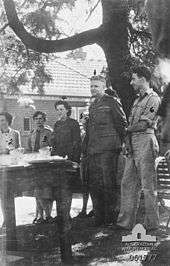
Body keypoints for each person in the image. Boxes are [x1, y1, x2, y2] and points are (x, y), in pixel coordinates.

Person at [117, 66, 161, 231]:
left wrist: (127, 130)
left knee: (148, 185)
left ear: (143, 79)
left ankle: (152, 224)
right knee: (127, 183)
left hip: (146, 141)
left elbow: (143, 124)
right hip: (133, 142)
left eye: (133, 78)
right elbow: (132, 124)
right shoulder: (137, 100)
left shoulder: (154, 99)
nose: (131, 82)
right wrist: (127, 140)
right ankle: (125, 223)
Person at [86, 74, 127, 226]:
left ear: (104, 87)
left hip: (109, 148)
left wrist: (123, 144)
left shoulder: (111, 102)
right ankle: (99, 217)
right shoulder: (92, 105)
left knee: (109, 183)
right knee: (95, 184)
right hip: (94, 149)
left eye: (96, 86)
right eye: (91, 86)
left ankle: (111, 218)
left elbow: (122, 123)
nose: (93, 89)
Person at [51, 100, 81, 223]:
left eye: (61, 109)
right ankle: (60, 214)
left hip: (70, 159)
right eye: (57, 110)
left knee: (68, 188)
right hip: (58, 160)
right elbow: (55, 142)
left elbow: (77, 142)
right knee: (58, 188)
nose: (59, 112)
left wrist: (72, 158)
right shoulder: (57, 124)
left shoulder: (74, 124)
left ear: (67, 110)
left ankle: (67, 214)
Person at [26, 111, 53, 224]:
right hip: (34, 165)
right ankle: (40, 216)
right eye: (36, 118)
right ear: (34, 120)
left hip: (45, 165)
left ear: (44, 120)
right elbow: (28, 149)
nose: (39, 120)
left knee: (46, 191)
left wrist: (45, 150)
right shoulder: (31, 133)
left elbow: (47, 146)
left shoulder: (48, 132)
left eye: (41, 118)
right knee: (37, 190)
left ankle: (47, 215)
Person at [0, 111, 21, 227]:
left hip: (11, 167)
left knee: (9, 194)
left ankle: (10, 219)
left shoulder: (15, 133)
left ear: (8, 121)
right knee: (2, 194)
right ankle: (6, 219)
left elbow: (17, 150)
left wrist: (15, 152)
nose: (1, 123)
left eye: (3, 120)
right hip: (1, 166)